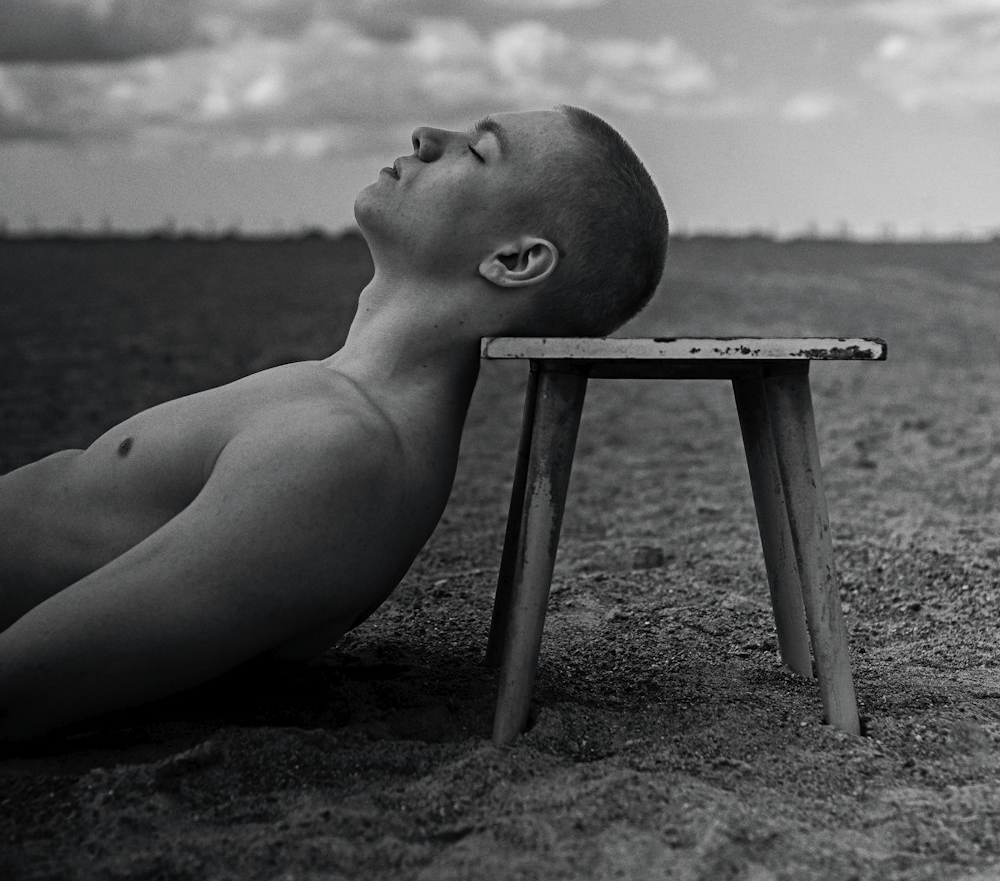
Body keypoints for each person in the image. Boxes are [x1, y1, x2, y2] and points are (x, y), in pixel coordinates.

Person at [0, 105, 667, 741]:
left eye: (474, 150)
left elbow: (24, 686)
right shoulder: (335, 410)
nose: (425, 135)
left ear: (516, 259)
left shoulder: (342, 455)